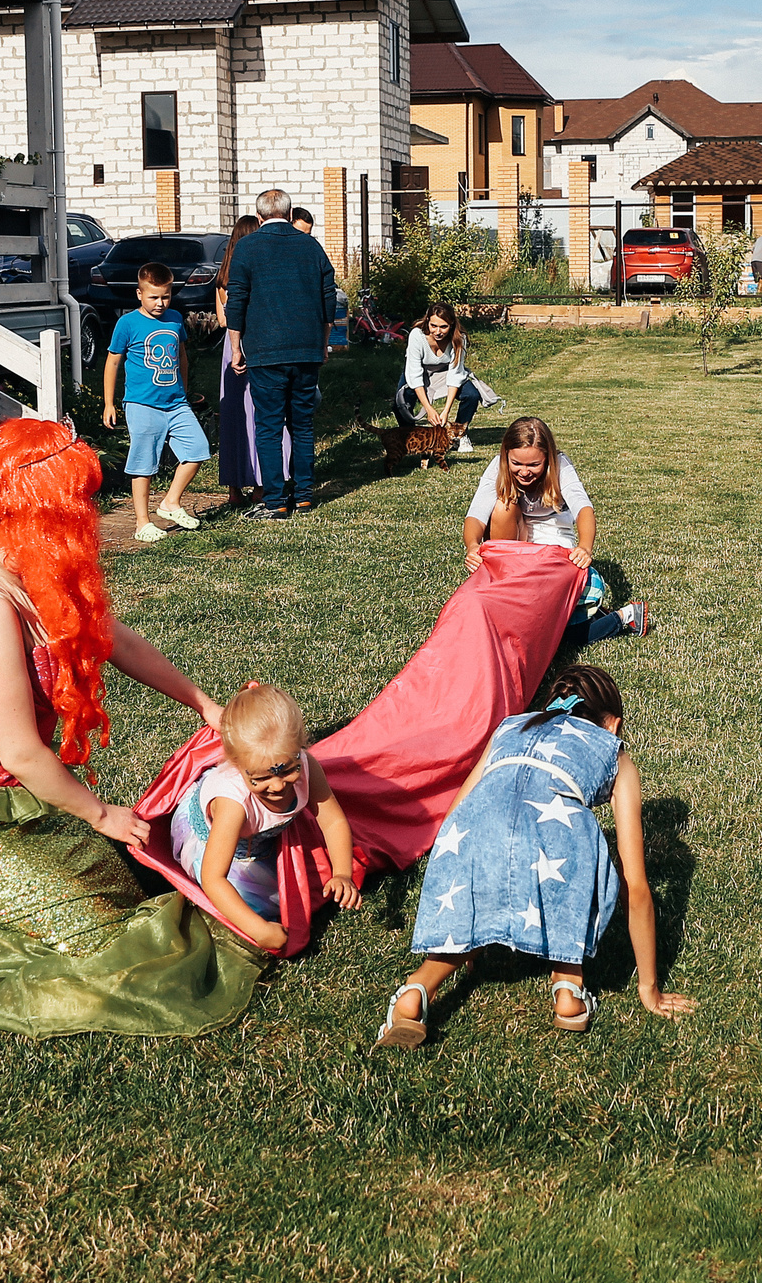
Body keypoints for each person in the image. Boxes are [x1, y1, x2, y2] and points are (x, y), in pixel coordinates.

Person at [0, 417, 265, 1038]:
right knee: (109, 952)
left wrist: (202, 702)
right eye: (80, 498)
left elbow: (110, 638)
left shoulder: (38, 567)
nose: (91, 511)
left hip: (29, 804)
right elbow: (19, 752)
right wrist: (102, 814)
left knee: (134, 892)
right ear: (40, 507)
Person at [375, 664, 693, 1046]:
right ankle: (568, 989)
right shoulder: (613, 751)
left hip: (476, 831)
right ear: (612, 723)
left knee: (492, 882)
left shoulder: (510, 727)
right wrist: (649, 987)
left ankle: (417, 991)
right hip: (555, 839)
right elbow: (635, 884)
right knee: (576, 856)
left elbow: (457, 815)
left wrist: (466, 914)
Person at [167, 680, 360, 952]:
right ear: (237, 765)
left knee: (316, 882)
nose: (279, 785)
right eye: (261, 777)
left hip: (258, 833)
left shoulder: (306, 766)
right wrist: (258, 929)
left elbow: (333, 820)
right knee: (260, 908)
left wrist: (342, 873)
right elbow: (213, 878)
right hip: (221, 847)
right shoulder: (233, 804)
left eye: (287, 771)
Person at [462, 416, 648, 642]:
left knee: (549, 633)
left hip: (554, 538)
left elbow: (584, 509)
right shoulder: (497, 467)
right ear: (506, 457)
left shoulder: (561, 467)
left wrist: (584, 548)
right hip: (518, 536)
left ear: (548, 459)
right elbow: (476, 515)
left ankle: (619, 616)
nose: (524, 472)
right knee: (502, 506)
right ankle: (506, 583)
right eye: (516, 463)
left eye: (534, 465)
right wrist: (473, 545)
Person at [223, 188, 341, 521]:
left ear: (259, 217)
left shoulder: (247, 247)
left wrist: (236, 348)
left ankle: (275, 500)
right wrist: (324, 342)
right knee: (302, 425)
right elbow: (328, 296)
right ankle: (303, 496)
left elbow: (237, 301)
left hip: (265, 351)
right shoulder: (310, 245)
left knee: (270, 427)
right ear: (290, 216)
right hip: (306, 350)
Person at [103, 264, 212, 542]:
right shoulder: (127, 324)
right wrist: (109, 403)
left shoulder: (174, 319)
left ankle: (170, 503)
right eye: (153, 297)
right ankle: (142, 523)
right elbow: (113, 362)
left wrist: (184, 390)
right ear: (139, 294)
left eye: (165, 296)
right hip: (142, 404)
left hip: (176, 403)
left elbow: (182, 356)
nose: (160, 303)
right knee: (144, 463)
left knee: (198, 449)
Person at [214, 214, 287, 509]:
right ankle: (261, 484)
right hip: (257, 344)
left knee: (234, 420)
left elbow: (222, 320)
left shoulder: (223, 278)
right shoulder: (260, 272)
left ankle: (234, 488)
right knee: (263, 415)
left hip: (229, 353)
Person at [396, 301, 489, 452]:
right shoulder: (416, 335)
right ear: (428, 322)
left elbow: (455, 374)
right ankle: (411, 437)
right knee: (400, 402)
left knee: (472, 395)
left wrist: (446, 410)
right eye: (434, 326)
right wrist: (429, 409)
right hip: (420, 372)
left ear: (451, 325)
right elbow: (414, 374)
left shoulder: (459, 338)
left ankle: (459, 435)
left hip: (446, 373)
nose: (438, 331)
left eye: (443, 327)